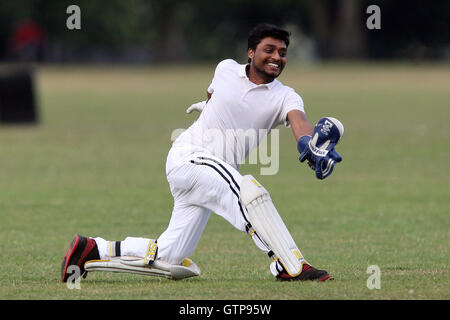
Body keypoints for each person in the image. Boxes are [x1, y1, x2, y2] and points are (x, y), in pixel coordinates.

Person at [61, 23, 343, 283]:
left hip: (208, 175)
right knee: (249, 193)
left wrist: (309, 143)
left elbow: (300, 122)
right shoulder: (226, 68)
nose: (276, 57)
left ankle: (92, 248)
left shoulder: (285, 96)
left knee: (168, 257)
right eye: (269, 49)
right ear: (250, 52)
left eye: (282, 53)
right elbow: (213, 94)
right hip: (190, 156)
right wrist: (207, 106)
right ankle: (290, 264)